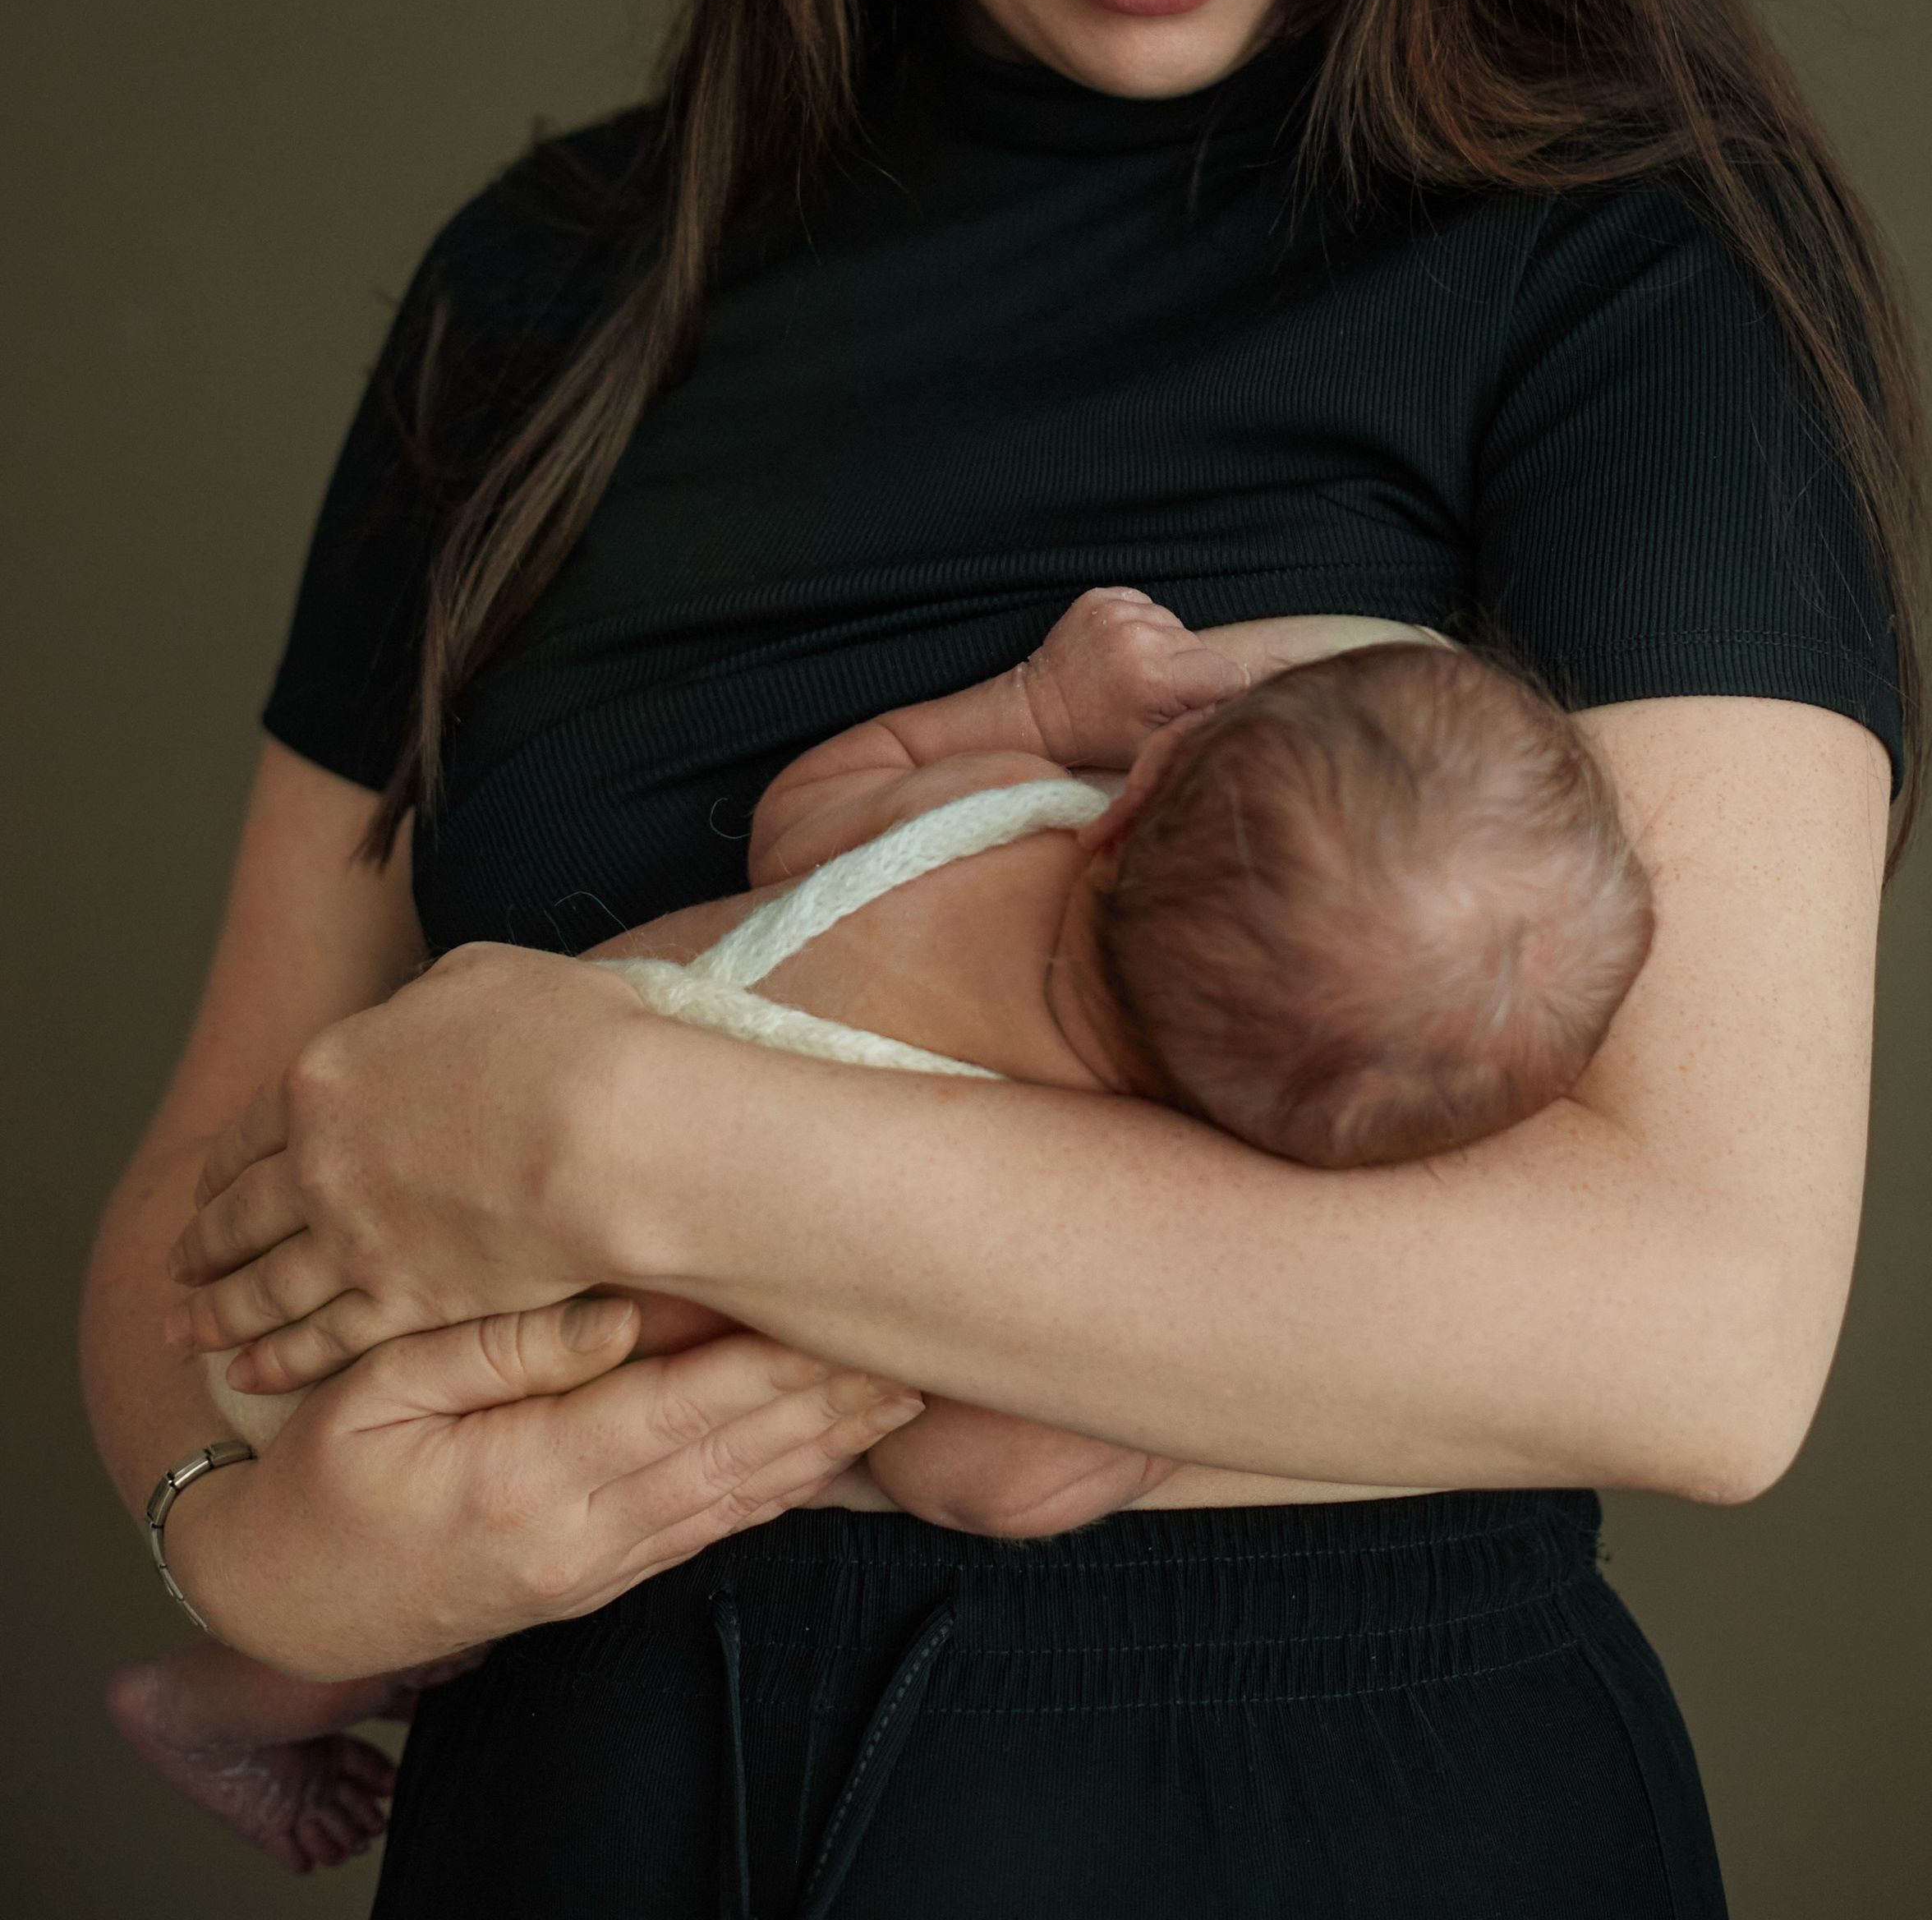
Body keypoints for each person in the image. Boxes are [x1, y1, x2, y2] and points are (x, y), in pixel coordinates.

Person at [87, 0, 1932, 1917]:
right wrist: (275, 1540)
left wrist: (612, 1140)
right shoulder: (545, 299)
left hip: (1327, 1818)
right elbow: (210, 1212)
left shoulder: (1626, 274)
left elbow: (1700, 1330)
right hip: (581, 1821)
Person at [109, 592, 1657, 1869]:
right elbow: (978, 1477)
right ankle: (229, 1695)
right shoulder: (1073, 1186)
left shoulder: (994, 830)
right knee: (441, 1582)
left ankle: (239, 1678)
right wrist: (1166, 1407)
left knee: (404, 1527)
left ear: (1133, 810)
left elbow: (808, 816)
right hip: (451, 1354)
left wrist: (1042, 713)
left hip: (361, 1181)